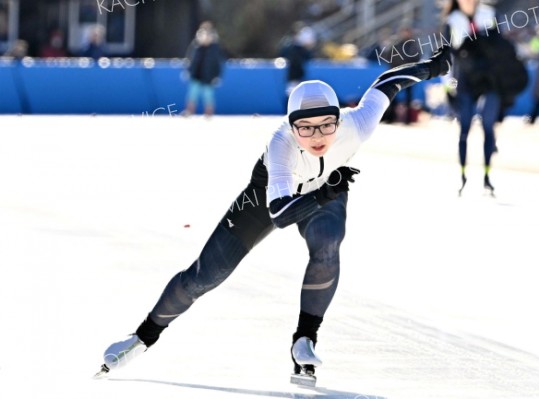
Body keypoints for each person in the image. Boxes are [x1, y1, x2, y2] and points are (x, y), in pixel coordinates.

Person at [95, 45, 452, 383]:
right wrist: (326, 190)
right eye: (305, 128)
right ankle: (142, 337)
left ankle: (305, 340)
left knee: (327, 245)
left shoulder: (357, 123)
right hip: (268, 196)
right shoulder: (281, 145)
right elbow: (280, 213)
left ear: (339, 119)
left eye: (327, 125)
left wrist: (431, 68)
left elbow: (388, 83)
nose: (317, 136)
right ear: (291, 127)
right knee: (205, 276)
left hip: (326, 188)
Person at [444, 0, 502, 196]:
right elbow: (446, 55)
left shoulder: (489, 14)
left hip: (488, 79)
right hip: (464, 80)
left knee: (488, 124)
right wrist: (448, 85)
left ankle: (487, 177)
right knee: (465, 126)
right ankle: (462, 177)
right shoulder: (452, 20)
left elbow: (500, 46)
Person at [182, 21, 223, 117]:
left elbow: (218, 64)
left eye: (208, 33)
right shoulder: (196, 46)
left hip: (208, 77)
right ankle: (189, 112)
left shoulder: (215, 48)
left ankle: (208, 114)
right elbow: (189, 59)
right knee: (192, 95)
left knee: (208, 96)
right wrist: (188, 70)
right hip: (196, 75)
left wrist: (217, 76)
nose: (205, 36)